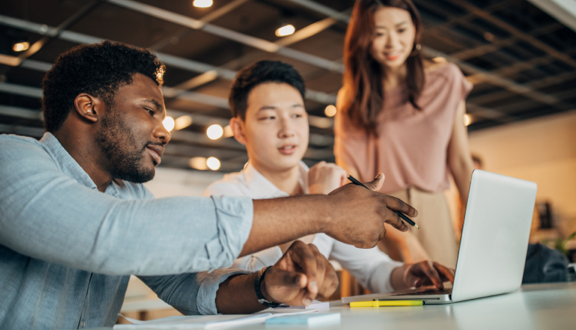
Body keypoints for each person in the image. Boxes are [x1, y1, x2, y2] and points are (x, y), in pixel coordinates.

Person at [0, 41, 417, 329]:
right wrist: (326, 209)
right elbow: (116, 235)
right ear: (89, 107)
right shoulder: (12, 158)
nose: (164, 133)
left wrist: (265, 285)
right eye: (150, 111)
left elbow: (189, 286)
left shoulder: (129, 194)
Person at [203, 60, 454, 295]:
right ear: (238, 129)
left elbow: (374, 270)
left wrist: (410, 275)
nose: (287, 130)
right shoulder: (225, 197)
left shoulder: (329, 188)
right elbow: (253, 283)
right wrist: (319, 201)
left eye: (296, 115)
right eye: (269, 117)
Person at [334, 0, 476, 267]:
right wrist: (406, 240)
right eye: (378, 33)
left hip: (433, 213)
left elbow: (460, 162)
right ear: (364, 38)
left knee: (446, 299)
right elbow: (349, 176)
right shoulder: (351, 100)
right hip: (380, 218)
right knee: (389, 304)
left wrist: (482, 226)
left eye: (401, 30)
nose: (392, 43)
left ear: (415, 30)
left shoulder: (446, 79)